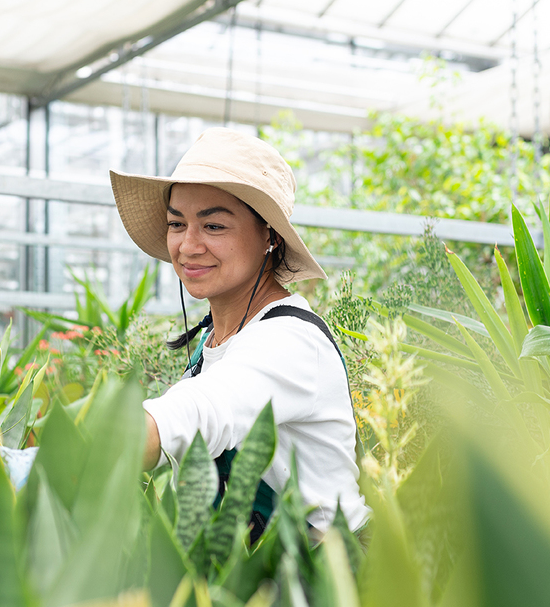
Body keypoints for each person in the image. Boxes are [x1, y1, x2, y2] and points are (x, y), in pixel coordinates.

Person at [111, 128, 367, 538]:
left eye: (213, 226)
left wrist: (60, 459)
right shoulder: (216, 341)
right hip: (255, 580)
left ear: (269, 234)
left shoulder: (290, 341)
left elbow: (196, 414)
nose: (188, 246)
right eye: (177, 223)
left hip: (328, 583)